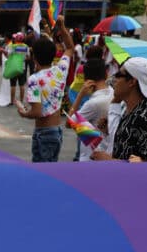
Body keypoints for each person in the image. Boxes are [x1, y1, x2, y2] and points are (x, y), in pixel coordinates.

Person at [16, 15, 74, 163]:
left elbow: (36, 112)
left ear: (34, 57)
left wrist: (23, 112)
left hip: (44, 132)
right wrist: (62, 27)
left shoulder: (34, 80)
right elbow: (70, 48)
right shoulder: (60, 70)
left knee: (41, 174)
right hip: (56, 130)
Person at [92, 58, 147, 162]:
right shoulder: (130, 110)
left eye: (119, 75)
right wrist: (108, 131)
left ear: (132, 82)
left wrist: (109, 160)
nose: (114, 79)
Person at [70, 59, 113, 162]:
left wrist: (80, 95)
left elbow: (70, 121)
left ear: (86, 79)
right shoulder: (113, 92)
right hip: (107, 152)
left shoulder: (93, 103)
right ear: (106, 74)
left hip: (90, 156)